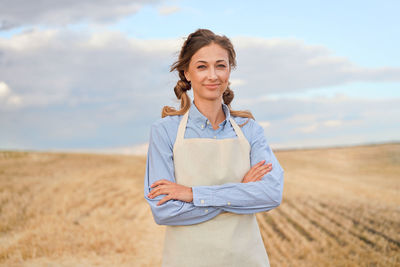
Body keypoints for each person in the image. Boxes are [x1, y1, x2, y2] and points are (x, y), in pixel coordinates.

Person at [144, 29, 284, 267]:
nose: (213, 75)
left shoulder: (250, 129)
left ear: (230, 71)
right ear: (187, 73)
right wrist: (241, 193)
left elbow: (271, 194)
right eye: (201, 67)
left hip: (246, 260)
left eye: (220, 66)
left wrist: (192, 194)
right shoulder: (164, 131)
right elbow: (164, 210)